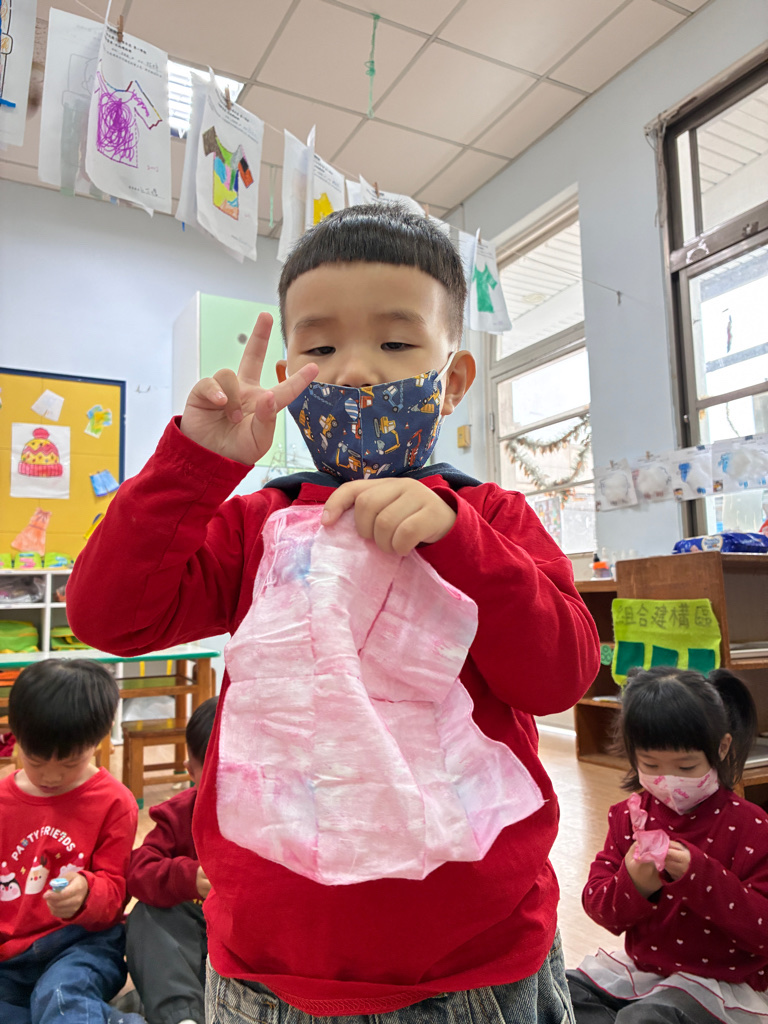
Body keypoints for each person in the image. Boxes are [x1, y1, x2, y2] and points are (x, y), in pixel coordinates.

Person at [67, 204, 600, 1024]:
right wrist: (196, 464)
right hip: (269, 964)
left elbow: (561, 676)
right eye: (320, 349)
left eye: (395, 343)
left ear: (454, 380)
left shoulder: (492, 518)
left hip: (478, 963)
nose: (353, 371)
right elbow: (110, 617)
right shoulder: (256, 526)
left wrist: (460, 539)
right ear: (289, 374)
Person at [567, 665, 768, 1024]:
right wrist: (634, 884)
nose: (668, 780)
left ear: (721, 748)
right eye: (651, 764)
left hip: (720, 984)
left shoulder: (751, 826)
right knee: (562, 994)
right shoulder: (626, 817)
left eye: (686, 767)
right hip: (645, 972)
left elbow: (763, 930)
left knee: (646, 1018)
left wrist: (699, 875)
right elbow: (599, 907)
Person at [0, 659, 139, 1024]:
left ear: (98, 739)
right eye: (35, 761)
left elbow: (115, 894)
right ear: (14, 735)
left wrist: (86, 892)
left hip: (81, 944)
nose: (50, 776)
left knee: (62, 998)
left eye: (69, 763)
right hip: (10, 956)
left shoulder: (114, 803)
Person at [125, 696, 218, 1024]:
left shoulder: (283, 818)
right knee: (147, 917)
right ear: (191, 771)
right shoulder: (179, 814)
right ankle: (181, 1017)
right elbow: (139, 870)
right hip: (195, 940)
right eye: (216, 779)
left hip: (254, 950)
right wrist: (188, 878)